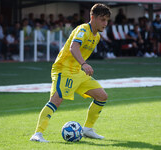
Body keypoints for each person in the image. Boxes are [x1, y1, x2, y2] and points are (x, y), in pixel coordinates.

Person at [30, 3, 111, 142]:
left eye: (107, 20)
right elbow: (74, 48)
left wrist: (81, 66)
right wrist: (84, 64)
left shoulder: (96, 36)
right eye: (103, 19)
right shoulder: (83, 30)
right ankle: (37, 134)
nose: (105, 23)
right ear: (92, 17)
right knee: (56, 100)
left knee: (102, 96)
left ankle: (88, 129)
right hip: (64, 69)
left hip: (77, 72)